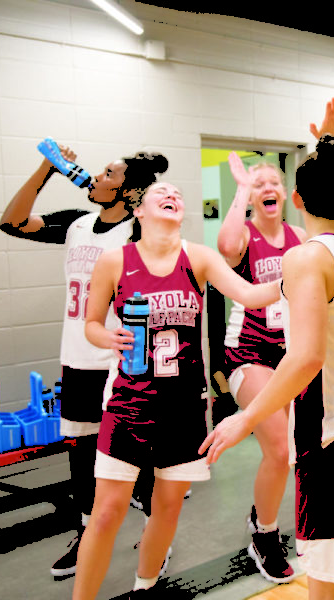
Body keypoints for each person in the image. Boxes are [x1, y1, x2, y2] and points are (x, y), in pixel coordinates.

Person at [201, 99, 334, 600]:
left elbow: (307, 357)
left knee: (325, 587)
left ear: (297, 200)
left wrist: (242, 418)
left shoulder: (304, 257)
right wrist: (332, 140)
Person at [73, 181, 280, 599]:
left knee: (167, 509)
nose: (172, 195)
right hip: (129, 403)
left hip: (184, 409)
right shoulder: (115, 261)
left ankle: (144, 588)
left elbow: (251, 294)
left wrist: (301, 274)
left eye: (177, 194)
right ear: (140, 212)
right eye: (159, 193)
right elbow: (92, 323)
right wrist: (106, 338)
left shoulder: (198, 257)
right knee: (106, 512)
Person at [0, 146, 167, 577]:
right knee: (83, 454)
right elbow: (11, 222)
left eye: (109, 172)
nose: (96, 175)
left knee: (135, 454)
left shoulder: (137, 233)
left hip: (122, 362)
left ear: (128, 190)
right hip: (76, 359)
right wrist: (46, 169)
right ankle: (88, 533)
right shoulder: (76, 224)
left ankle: (156, 531)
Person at [216, 137, 308, 584]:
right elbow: (226, 245)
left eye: (274, 180)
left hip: (290, 354)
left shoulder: (300, 239)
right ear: (252, 196)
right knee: (278, 447)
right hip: (248, 354)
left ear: (286, 193)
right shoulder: (246, 236)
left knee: (298, 449)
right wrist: (240, 189)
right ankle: (264, 535)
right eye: (259, 183)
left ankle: (286, 522)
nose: (267, 185)